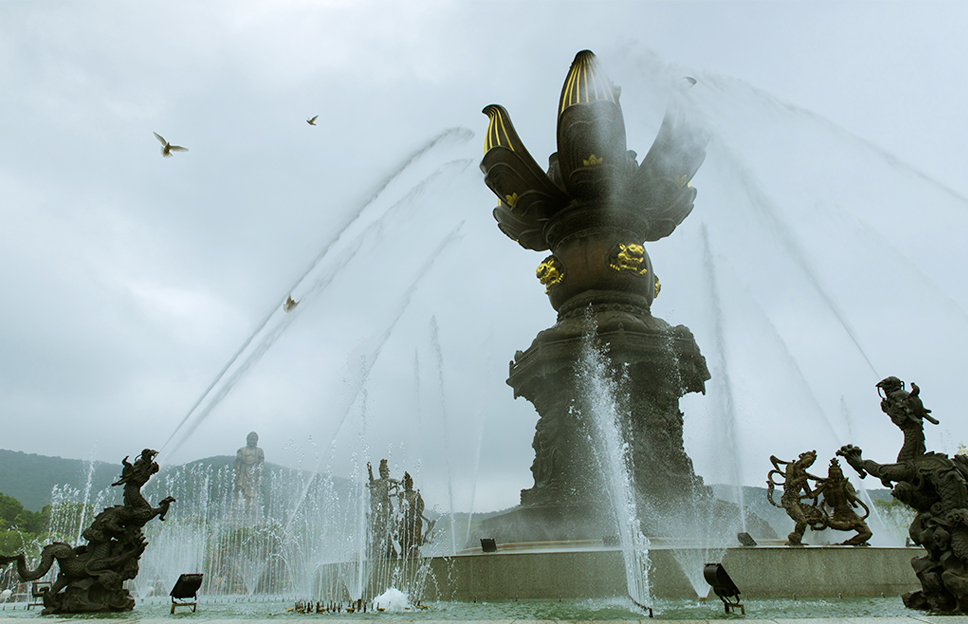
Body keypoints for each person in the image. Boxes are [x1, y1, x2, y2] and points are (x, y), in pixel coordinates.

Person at [234, 432, 265, 510]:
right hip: (243, 471)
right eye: (250, 439)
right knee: (241, 488)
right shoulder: (242, 450)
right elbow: (236, 464)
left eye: (254, 440)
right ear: (247, 440)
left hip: (253, 472)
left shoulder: (259, 451)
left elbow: (261, 464)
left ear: (256, 441)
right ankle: (239, 505)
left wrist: (260, 475)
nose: (252, 441)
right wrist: (238, 459)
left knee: (252, 489)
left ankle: (250, 505)